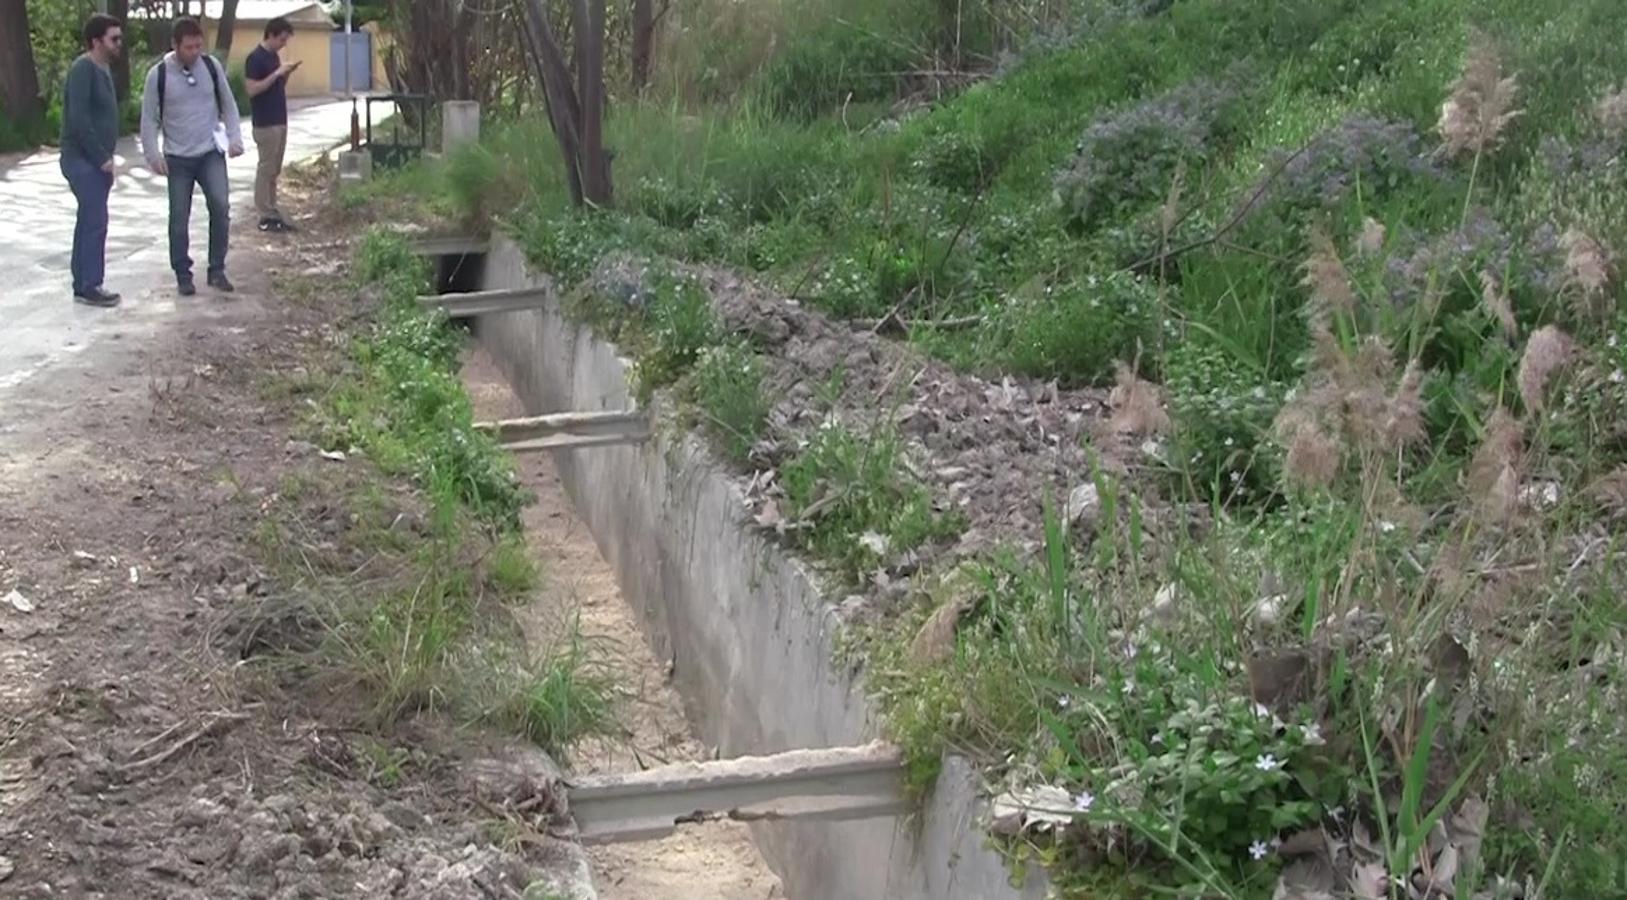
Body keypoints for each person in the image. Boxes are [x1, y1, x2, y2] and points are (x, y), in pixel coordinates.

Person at [139, 17, 244, 296]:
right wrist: (152, 155)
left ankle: (217, 269)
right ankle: (182, 272)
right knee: (179, 217)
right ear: (175, 45)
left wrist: (235, 138)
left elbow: (229, 104)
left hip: (210, 152)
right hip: (177, 158)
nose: (195, 52)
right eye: (189, 47)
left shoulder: (211, 67)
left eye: (199, 46)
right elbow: (148, 119)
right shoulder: (158, 75)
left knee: (221, 207)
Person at [59, 14, 125, 308]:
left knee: (88, 219)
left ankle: (82, 282)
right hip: (81, 159)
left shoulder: (103, 68)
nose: (118, 44)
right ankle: (90, 285)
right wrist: (100, 158)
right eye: (114, 39)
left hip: (98, 160)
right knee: (96, 220)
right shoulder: (83, 69)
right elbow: (79, 119)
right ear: (96, 41)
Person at [243, 17, 301, 233]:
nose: (284, 44)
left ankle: (272, 207)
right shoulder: (255, 58)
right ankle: (264, 211)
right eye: (282, 39)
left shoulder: (274, 57)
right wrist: (276, 73)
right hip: (265, 122)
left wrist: (284, 75)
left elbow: (275, 86)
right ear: (271, 35)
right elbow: (252, 89)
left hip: (280, 117)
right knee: (266, 167)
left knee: (274, 169)